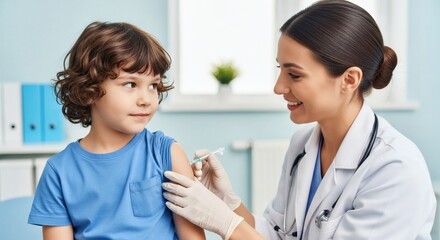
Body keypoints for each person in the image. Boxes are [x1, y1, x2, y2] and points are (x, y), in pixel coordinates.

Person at [161, 1, 436, 239]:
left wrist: (226, 224)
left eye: (294, 75)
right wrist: (228, 203)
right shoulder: (303, 145)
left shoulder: (395, 170)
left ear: (349, 80)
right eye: (280, 70)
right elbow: (276, 233)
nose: (278, 87)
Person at [28, 21, 205, 240]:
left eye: (153, 86)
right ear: (89, 90)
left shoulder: (166, 153)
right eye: (130, 84)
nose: (146, 100)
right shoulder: (59, 173)